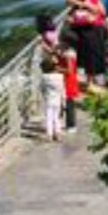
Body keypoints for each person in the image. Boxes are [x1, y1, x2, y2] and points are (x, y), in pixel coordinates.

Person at [65, 0, 108, 87]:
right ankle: (89, 81)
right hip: (86, 22)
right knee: (90, 50)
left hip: (97, 19)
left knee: (99, 49)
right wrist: (85, 4)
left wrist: (104, 13)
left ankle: (94, 79)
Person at [35, 11, 70, 140]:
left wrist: (43, 45)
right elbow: (56, 48)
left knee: (49, 111)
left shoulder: (43, 35)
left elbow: (49, 48)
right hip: (54, 73)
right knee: (57, 111)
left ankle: (50, 133)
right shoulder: (53, 33)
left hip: (47, 69)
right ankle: (57, 132)